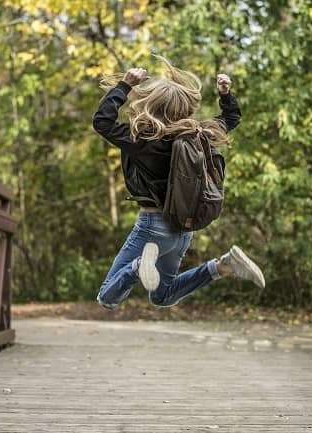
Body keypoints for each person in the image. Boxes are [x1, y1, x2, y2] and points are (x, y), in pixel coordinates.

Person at [93, 55, 265, 310]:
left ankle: (139, 266)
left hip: (152, 227)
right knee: (163, 296)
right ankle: (224, 265)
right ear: (182, 107)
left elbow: (102, 122)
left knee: (107, 298)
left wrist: (125, 85)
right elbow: (231, 119)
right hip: (183, 230)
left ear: (151, 104)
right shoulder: (198, 136)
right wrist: (225, 95)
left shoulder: (141, 139)